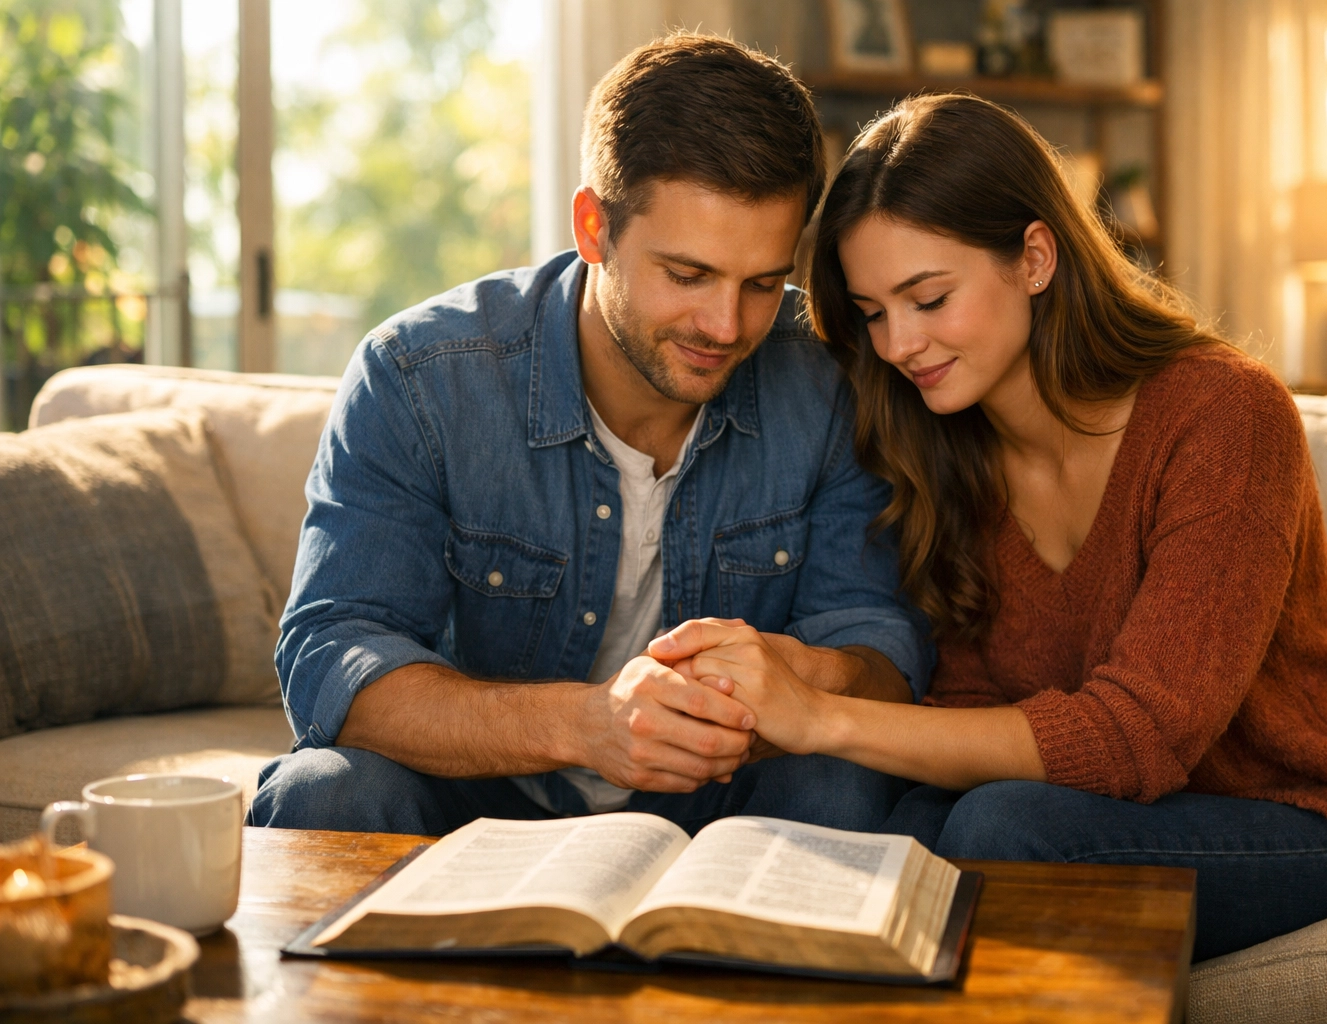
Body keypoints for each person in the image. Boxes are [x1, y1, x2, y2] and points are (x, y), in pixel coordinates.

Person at [648, 93, 1327, 962]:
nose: (897, 345)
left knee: (1001, 825)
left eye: (928, 298)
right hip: (1116, 807)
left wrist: (820, 714)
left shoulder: (1225, 415)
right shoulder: (942, 444)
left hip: (1325, 812)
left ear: (1034, 258)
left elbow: (1140, 736)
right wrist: (808, 705)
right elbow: (967, 705)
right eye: (875, 312)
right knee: (835, 799)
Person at [247, 35, 926, 838]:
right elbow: (332, 658)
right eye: (688, 274)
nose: (726, 325)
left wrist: (815, 673)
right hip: (483, 792)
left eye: (763, 283)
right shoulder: (419, 377)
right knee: (325, 792)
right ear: (593, 227)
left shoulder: (827, 379)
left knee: (844, 789)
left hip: (724, 799)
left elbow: (880, 643)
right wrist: (590, 725)